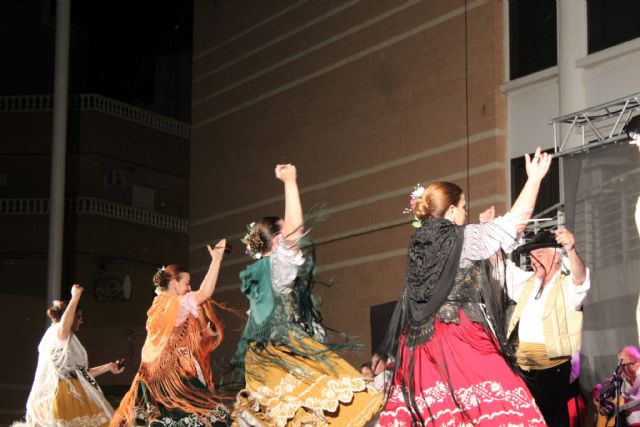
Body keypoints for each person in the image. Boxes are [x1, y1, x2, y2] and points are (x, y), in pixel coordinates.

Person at [377, 148, 552, 426]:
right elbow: (514, 223)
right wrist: (534, 180)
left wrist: (483, 228)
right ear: (451, 210)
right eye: (463, 206)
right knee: (502, 407)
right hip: (457, 338)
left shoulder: (417, 243)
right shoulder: (460, 238)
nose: (465, 212)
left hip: (416, 346)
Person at [232, 164, 383, 427]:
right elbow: (295, 232)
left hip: (261, 355)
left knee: (288, 415)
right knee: (332, 397)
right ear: (276, 242)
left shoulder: (258, 273)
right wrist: (290, 182)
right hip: (282, 349)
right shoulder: (277, 268)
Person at [111, 243, 231, 427]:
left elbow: (177, 343)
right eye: (186, 283)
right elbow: (204, 293)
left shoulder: (160, 305)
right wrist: (216, 260)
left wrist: (206, 333)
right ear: (175, 284)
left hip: (153, 376)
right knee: (212, 418)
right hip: (170, 379)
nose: (189, 288)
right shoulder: (173, 305)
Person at [505, 227, 589, 427]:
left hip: (553, 368)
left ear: (557, 257)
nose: (533, 259)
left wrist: (571, 249)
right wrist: (491, 237)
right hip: (525, 367)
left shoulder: (566, 285)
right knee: (526, 419)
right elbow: (504, 270)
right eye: (531, 255)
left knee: (551, 420)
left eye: (540, 254)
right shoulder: (528, 283)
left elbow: (581, 280)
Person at [18, 284, 123, 426]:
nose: (81, 320)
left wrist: (109, 367)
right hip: (64, 396)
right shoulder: (58, 334)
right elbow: (64, 327)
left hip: (76, 393)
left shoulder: (71, 341)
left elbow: (82, 373)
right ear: (70, 316)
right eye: (78, 317)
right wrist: (75, 296)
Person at [593, 346, 640, 427]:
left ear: (637, 363)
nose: (623, 369)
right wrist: (600, 404)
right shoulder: (621, 377)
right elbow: (598, 387)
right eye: (621, 365)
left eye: (626, 365)